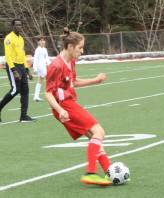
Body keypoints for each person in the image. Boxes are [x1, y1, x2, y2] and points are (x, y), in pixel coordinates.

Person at [45, 28, 112, 186]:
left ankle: (109, 171)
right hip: (64, 106)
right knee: (99, 132)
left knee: (93, 136)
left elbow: (73, 82)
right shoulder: (56, 66)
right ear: (70, 47)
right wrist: (61, 110)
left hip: (67, 104)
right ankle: (91, 172)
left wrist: (95, 80)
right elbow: (48, 93)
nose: (82, 51)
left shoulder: (71, 61)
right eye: (80, 48)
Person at [0, 19, 35, 122]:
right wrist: (14, 71)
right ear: (13, 26)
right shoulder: (9, 38)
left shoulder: (21, 38)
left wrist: (27, 70)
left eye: (20, 25)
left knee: (25, 90)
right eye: (17, 25)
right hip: (13, 66)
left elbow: (22, 55)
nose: (19, 26)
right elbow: (8, 56)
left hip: (22, 66)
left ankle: (23, 116)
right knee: (15, 90)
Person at [32, 36, 51, 101]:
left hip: (44, 66)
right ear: (38, 42)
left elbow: (47, 58)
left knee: (40, 80)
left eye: (43, 40)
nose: (43, 42)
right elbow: (35, 59)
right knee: (49, 78)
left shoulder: (45, 49)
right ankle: (51, 94)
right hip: (40, 67)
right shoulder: (37, 50)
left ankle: (36, 96)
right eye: (41, 40)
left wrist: (50, 65)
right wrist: (35, 68)